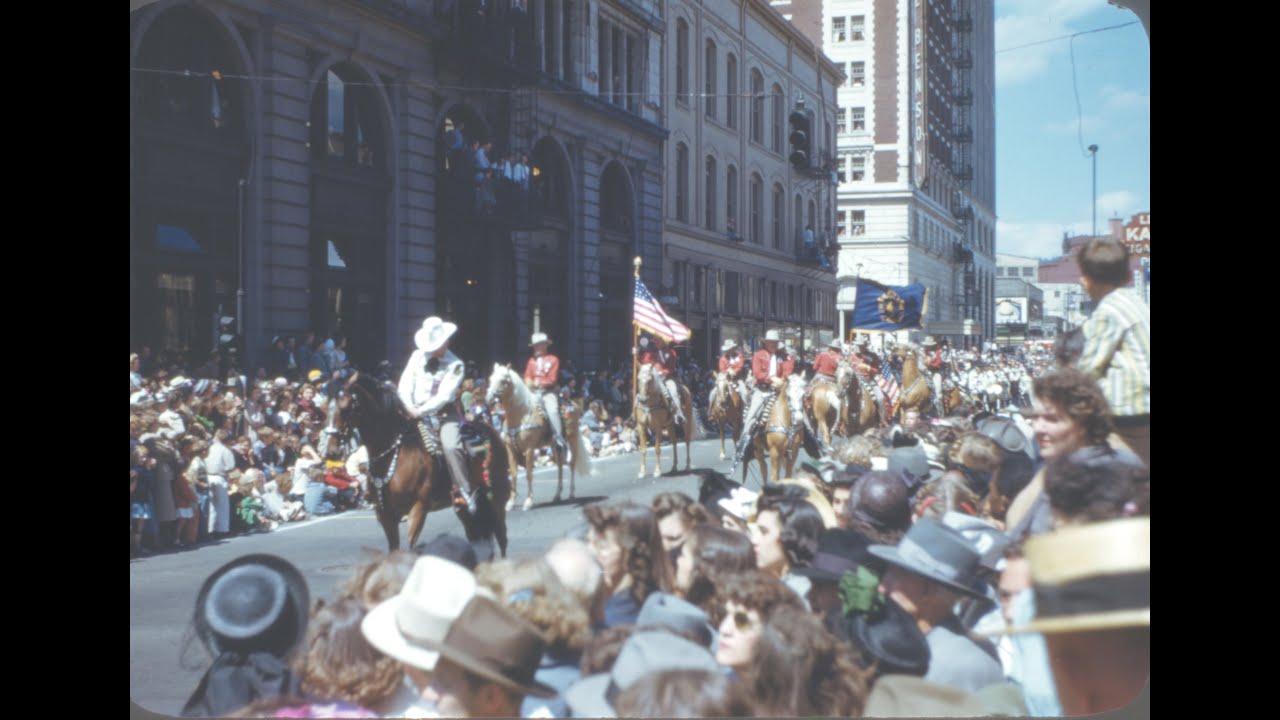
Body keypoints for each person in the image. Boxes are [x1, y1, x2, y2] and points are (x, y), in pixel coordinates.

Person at [869, 518, 1005, 693]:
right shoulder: (932, 648)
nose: (882, 587)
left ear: (927, 591)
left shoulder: (950, 665)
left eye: (896, 575)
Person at [1074, 237, 1151, 466]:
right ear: (1128, 277)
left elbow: (1090, 366)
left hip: (1127, 406)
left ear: (1085, 281)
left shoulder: (1108, 310)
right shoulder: (1134, 301)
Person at [398, 316, 480, 514]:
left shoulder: (456, 364)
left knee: (451, 446)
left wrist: (420, 411)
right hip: (411, 411)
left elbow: (445, 396)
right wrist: (410, 407)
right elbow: (404, 384)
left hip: (442, 415)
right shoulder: (417, 356)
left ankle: (465, 490)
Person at [732, 330, 796, 470]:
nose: (773, 345)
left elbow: (788, 370)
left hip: (780, 389)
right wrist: (772, 379)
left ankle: (811, 440)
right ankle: (743, 445)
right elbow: (758, 374)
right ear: (765, 343)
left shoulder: (784, 356)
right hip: (763, 389)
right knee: (751, 415)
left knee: (798, 409)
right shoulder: (758, 355)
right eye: (770, 342)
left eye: (775, 343)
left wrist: (783, 379)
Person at [524, 332, 571, 458]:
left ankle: (559, 439)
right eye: (534, 346)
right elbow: (527, 375)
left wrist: (537, 382)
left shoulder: (553, 360)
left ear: (545, 346)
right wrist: (528, 382)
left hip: (547, 392)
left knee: (553, 410)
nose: (536, 348)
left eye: (538, 345)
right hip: (532, 392)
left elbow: (552, 379)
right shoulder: (531, 361)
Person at [640, 335, 687, 428]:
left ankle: (679, 414)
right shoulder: (651, 353)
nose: (656, 343)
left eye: (658, 340)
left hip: (666, 378)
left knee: (673, 392)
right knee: (642, 388)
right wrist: (636, 354)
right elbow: (644, 362)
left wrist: (663, 373)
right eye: (655, 341)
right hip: (652, 378)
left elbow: (671, 367)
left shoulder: (671, 352)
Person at [716, 339, 749, 405]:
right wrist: (728, 371)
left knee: (744, 393)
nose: (730, 350)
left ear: (733, 348)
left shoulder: (739, 356)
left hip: (737, 379)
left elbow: (740, 366)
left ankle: (746, 408)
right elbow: (722, 369)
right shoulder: (722, 359)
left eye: (731, 348)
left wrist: (734, 371)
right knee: (713, 393)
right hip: (726, 379)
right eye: (728, 349)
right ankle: (711, 410)